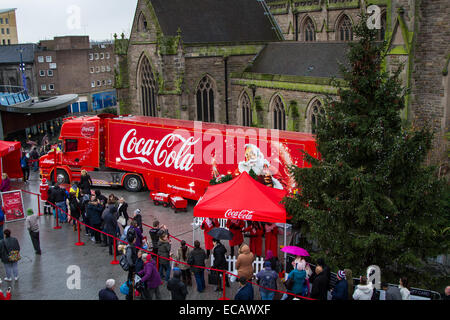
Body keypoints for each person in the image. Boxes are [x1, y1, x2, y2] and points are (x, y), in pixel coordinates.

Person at [125, 234, 138, 300]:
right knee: (131, 279)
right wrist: (132, 265)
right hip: (132, 267)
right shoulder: (130, 248)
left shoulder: (132, 246)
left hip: (133, 265)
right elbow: (129, 257)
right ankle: (130, 294)